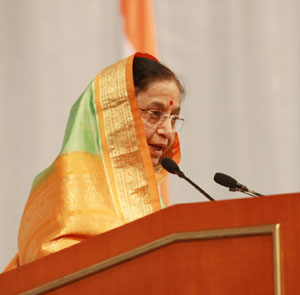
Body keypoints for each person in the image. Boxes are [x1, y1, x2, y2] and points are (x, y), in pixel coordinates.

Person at [3, 53, 184, 271]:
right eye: (155, 113)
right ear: (118, 114)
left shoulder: (150, 200)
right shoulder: (64, 182)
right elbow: (50, 275)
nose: (168, 132)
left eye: (173, 118)